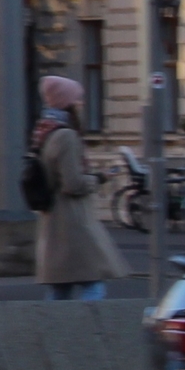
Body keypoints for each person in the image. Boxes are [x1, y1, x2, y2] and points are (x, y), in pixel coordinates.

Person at [33, 76, 127, 300]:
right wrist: (96, 179)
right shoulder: (66, 136)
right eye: (78, 100)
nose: (81, 104)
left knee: (61, 287)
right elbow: (73, 184)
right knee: (92, 284)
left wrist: (98, 176)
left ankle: (51, 331)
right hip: (72, 222)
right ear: (67, 103)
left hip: (55, 220)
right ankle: (90, 331)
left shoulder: (45, 131)